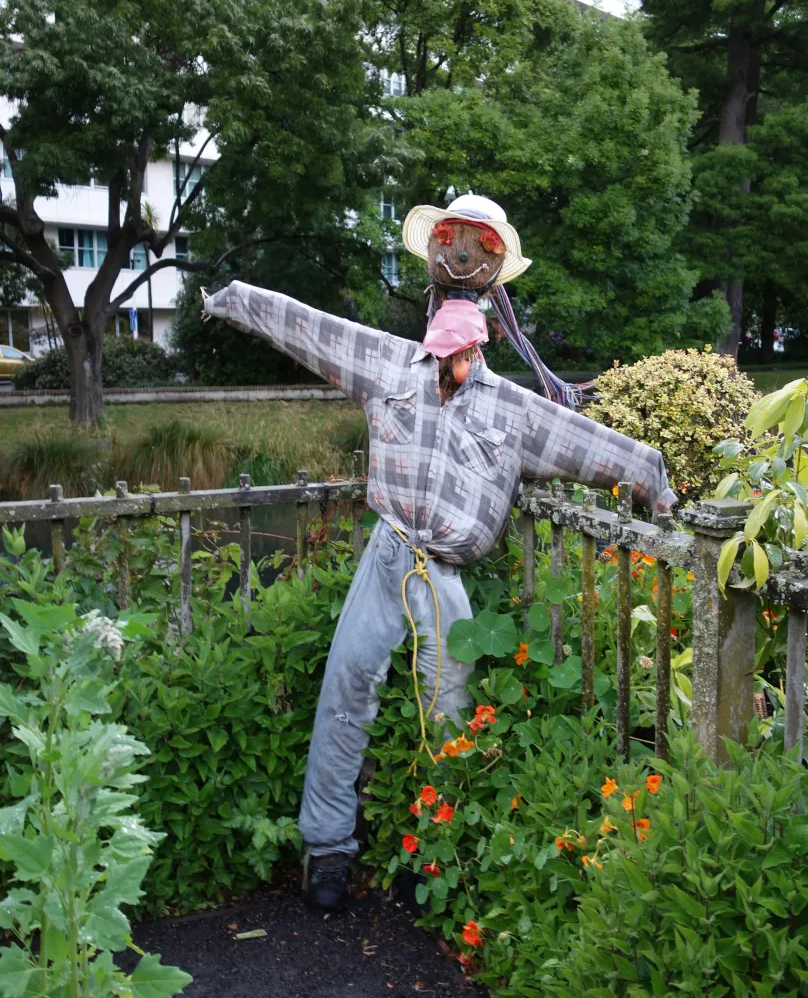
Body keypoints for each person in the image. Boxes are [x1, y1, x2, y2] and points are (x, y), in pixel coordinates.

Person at [202, 195, 677, 911]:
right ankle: (327, 848)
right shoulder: (390, 368)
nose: (452, 355)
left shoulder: (510, 410)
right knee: (347, 687)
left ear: (482, 334)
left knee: (450, 710)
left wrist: (652, 477)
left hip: (446, 573)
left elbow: (594, 446)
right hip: (389, 552)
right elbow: (311, 327)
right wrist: (236, 301)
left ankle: (433, 853)